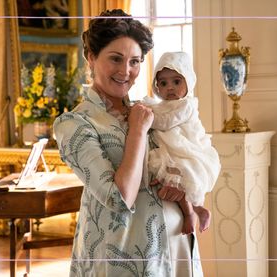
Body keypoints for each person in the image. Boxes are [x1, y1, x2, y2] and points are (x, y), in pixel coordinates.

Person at [53, 9, 203, 277]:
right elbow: (119, 199)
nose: (126, 71)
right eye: (116, 59)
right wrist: (137, 130)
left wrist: (190, 205)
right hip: (124, 260)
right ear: (91, 57)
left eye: (135, 61)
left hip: (176, 248)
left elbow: (166, 171)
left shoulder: (146, 110)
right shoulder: (74, 124)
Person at [144, 52, 221, 235]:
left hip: (185, 149)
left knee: (180, 179)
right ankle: (199, 210)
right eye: (163, 83)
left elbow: (166, 122)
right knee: (167, 178)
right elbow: (160, 114)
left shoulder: (186, 105)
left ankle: (189, 214)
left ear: (188, 81)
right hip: (170, 148)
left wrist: (146, 119)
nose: (170, 87)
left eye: (176, 81)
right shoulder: (161, 106)